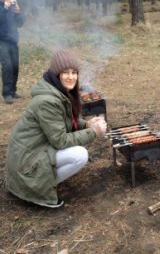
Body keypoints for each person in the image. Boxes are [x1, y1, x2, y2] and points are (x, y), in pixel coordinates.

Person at [5, 49, 107, 208]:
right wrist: (93, 132)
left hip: (33, 151)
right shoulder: (48, 101)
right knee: (80, 155)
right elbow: (60, 140)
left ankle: (44, 179)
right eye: (65, 72)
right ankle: (39, 187)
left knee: (77, 148)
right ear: (56, 74)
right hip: (26, 162)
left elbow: (62, 122)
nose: (71, 77)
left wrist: (85, 124)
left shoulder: (57, 91)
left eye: (74, 72)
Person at [0, 0, 24, 104]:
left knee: (15, 66)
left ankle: (13, 91)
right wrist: (4, 9)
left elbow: (20, 24)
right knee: (7, 66)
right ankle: (7, 94)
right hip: (2, 41)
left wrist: (18, 13)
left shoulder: (12, 5)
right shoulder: (3, 6)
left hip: (13, 41)